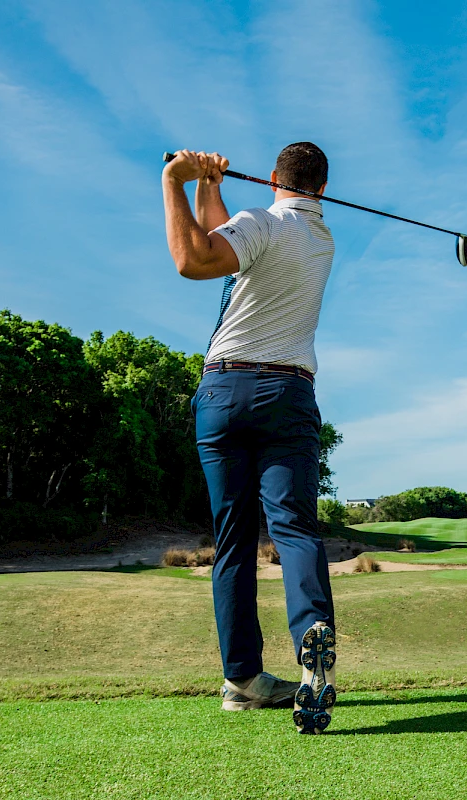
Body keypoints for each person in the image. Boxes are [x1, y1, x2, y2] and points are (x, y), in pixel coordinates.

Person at [162, 142, 337, 734]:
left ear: (271, 178)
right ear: (321, 187)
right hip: (288, 395)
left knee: (233, 541)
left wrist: (175, 181)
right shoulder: (319, 240)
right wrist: (210, 186)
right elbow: (228, 244)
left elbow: (194, 260)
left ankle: (241, 680)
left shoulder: (261, 222)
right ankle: (312, 633)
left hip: (224, 393)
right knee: (294, 528)